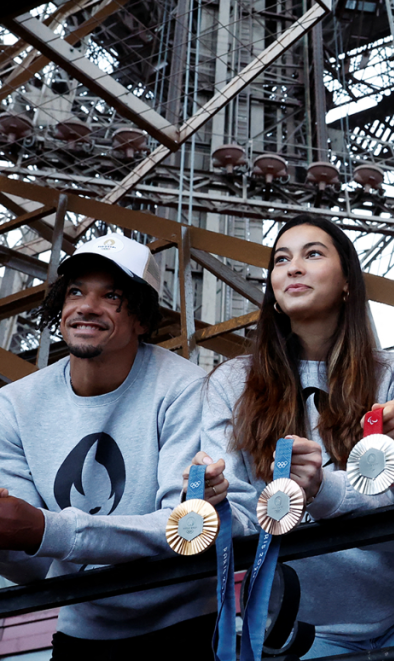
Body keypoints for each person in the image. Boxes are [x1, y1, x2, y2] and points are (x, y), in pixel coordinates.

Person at [192, 213, 394, 658]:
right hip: (306, 628)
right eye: (281, 259)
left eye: (312, 254)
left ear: (347, 284)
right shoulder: (231, 383)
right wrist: (214, 497)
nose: (293, 267)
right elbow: (239, 512)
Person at [0, 231, 214, 657]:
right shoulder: (15, 404)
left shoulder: (185, 387)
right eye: (75, 291)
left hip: (186, 624)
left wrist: (45, 528)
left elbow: (185, 527)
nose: (87, 307)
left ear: (141, 318)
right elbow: (35, 565)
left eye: (111, 296)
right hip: (80, 631)